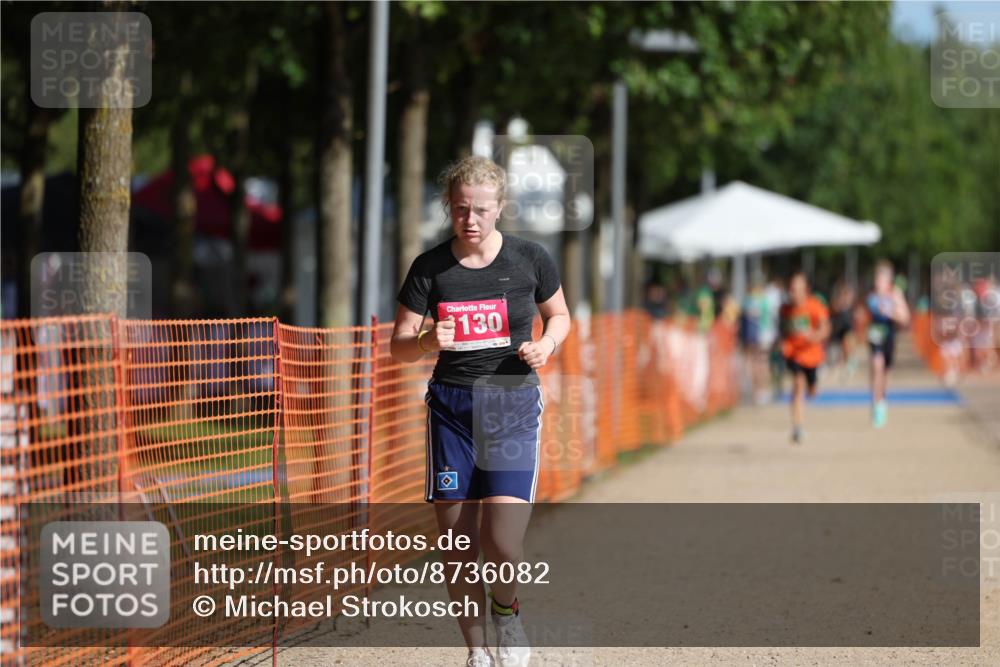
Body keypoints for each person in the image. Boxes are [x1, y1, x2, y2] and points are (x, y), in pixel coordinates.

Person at [390, 155, 571, 667]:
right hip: (451, 411)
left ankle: (507, 611)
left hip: (511, 404)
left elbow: (559, 316)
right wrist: (427, 340)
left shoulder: (529, 258)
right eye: (461, 208)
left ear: (500, 208)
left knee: (503, 543)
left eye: (482, 209)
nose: (471, 219)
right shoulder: (430, 268)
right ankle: (478, 653)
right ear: (449, 206)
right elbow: (397, 346)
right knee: (457, 546)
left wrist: (548, 345)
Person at [779, 272, 831, 444]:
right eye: (792, 289)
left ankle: (813, 385)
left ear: (806, 290)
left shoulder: (815, 306)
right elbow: (783, 330)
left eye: (797, 289)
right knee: (797, 384)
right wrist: (781, 343)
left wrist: (813, 336)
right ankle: (797, 427)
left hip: (812, 356)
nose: (793, 293)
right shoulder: (785, 309)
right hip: (794, 354)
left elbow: (825, 330)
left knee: (812, 391)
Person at [865, 261, 910, 428]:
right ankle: (876, 402)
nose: (878, 282)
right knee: (877, 365)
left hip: (890, 335)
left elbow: (905, 318)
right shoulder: (871, 296)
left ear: (888, 280)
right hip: (875, 335)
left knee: (885, 371)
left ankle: (881, 400)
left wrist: (890, 312)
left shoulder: (895, 295)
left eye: (882, 279)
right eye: (877, 278)